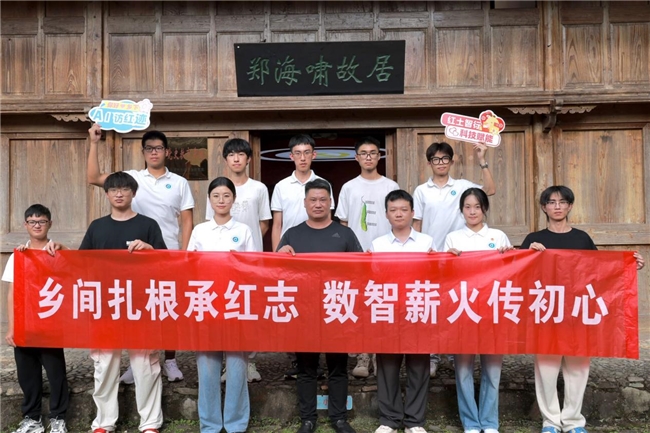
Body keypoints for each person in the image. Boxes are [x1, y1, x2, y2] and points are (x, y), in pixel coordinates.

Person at [521, 185, 645, 433]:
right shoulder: (534, 239)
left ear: (570, 206)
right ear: (544, 207)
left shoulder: (582, 239)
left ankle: (573, 421)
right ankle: (550, 422)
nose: (557, 206)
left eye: (562, 202)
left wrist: (628, 266)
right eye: (552, 202)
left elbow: (600, 271)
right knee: (546, 369)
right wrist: (528, 254)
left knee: (577, 368)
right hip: (546, 312)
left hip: (578, 313)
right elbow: (518, 273)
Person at [87, 123, 194, 383]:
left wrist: (185, 255)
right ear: (143, 152)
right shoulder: (131, 179)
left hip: (166, 254)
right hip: (134, 258)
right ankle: (137, 363)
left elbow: (187, 221)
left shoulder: (179, 182)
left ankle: (170, 360)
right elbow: (94, 177)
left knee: (167, 309)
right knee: (136, 311)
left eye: (158, 148)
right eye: (149, 148)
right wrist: (94, 142)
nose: (154, 152)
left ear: (167, 151)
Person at [80, 172, 166, 433]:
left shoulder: (148, 225)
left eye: (125, 189)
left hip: (141, 304)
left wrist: (151, 250)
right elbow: (80, 263)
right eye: (114, 189)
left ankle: (150, 422)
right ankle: (104, 422)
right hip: (105, 306)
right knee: (105, 364)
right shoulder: (97, 227)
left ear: (133, 193)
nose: (119, 194)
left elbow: (166, 263)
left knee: (145, 364)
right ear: (106, 194)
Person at [277, 179, 363, 433]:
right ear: (305, 203)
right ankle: (307, 419)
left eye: (323, 199)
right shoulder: (292, 234)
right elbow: (277, 272)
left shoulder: (345, 234)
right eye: (313, 200)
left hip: (337, 308)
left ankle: (339, 418)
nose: (318, 204)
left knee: (338, 367)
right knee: (306, 369)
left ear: (330, 203)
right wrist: (280, 256)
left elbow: (360, 270)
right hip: (304, 311)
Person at [412, 141, 496, 378]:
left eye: (445, 159)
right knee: (432, 307)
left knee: (456, 305)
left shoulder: (462, 186)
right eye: (436, 159)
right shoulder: (421, 190)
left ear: (452, 161)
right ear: (429, 163)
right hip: (432, 257)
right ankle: (432, 356)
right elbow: (417, 224)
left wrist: (482, 160)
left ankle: (453, 353)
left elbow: (489, 190)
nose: (440, 163)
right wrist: (418, 253)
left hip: (459, 258)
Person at [444, 188, 512, 433]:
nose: (472, 212)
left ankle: (489, 422)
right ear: (461, 210)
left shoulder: (498, 236)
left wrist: (509, 256)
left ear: (485, 208)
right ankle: (471, 423)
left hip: (493, 311)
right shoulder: (453, 238)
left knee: (492, 371)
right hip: (463, 311)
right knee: (463, 370)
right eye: (467, 207)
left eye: (477, 206)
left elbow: (512, 273)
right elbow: (444, 277)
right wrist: (447, 259)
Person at [191, 177, 255, 433]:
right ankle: (209, 425)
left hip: (235, 303)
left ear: (233, 199)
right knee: (207, 367)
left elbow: (253, 268)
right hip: (206, 302)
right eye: (216, 196)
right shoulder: (200, 231)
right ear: (209, 199)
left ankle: (236, 424)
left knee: (237, 366)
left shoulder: (244, 230)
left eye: (226, 195)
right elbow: (189, 267)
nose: (221, 200)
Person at [204, 138, 270, 382]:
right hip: (220, 265)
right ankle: (225, 363)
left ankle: (249, 362)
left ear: (248, 159)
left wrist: (245, 246)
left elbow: (264, 223)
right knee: (223, 311)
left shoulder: (258, 188)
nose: (236, 158)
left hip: (249, 260)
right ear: (225, 160)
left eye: (241, 154)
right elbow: (209, 224)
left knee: (248, 311)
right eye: (231, 154)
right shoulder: (217, 188)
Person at [270, 133, 334, 379]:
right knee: (294, 307)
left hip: (318, 254)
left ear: (314, 155)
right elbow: (277, 224)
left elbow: (330, 219)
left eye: (307, 152)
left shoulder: (323, 183)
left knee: (318, 308)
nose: (303, 158)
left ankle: (320, 360)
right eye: (298, 153)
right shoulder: (281, 186)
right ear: (291, 157)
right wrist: (277, 256)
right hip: (291, 254)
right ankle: (297, 360)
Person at [370, 190, 434, 433]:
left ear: (412, 213)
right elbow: (372, 279)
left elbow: (436, 276)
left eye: (404, 209)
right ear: (386, 214)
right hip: (388, 311)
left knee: (419, 366)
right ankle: (389, 419)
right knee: (387, 366)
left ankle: (414, 421)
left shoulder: (426, 242)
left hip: (418, 310)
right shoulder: (378, 244)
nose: (399, 214)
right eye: (393, 210)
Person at [335, 136, 399, 378]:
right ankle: (362, 355)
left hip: (385, 255)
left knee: (382, 305)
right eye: (364, 153)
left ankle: (380, 354)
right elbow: (343, 223)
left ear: (379, 156)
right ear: (357, 158)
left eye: (373, 152)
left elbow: (397, 219)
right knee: (360, 307)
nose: (368, 157)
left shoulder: (390, 186)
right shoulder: (349, 187)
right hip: (357, 257)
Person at [2, 205, 69, 433]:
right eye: (32, 222)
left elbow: (77, 269)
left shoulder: (57, 252)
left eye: (41, 221)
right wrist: (12, 327)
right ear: (25, 225)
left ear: (50, 224)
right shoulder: (19, 256)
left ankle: (58, 417)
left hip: (51, 321)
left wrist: (63, 248)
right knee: (27, 373)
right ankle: (32, 419)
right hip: (25, 323)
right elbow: (12, 293)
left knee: (56, 372)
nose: (37, 225)